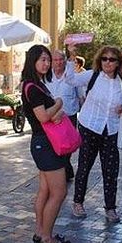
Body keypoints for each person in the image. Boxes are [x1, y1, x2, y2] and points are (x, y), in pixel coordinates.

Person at [65, 45, 122, 223]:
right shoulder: (92, 75)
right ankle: (78, 202)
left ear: (118, 62)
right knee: (84, 166)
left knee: (110, 170)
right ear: (99, 60)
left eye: (112, 59)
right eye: (104, 59)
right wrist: (71, 57)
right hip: (90, 126)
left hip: (110, 129)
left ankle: (110, 208)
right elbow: (71, 80)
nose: (107, 63)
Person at [20, 44, 70, 243]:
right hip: (46, 144)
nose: (46, 63)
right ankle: (47, 238)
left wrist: (54, 112)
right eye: (42, 59)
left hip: (43, 142)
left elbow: (46, 116)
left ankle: (41, 231)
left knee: (45, 190)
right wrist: (58, 103)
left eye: (48, 59)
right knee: (59, 193)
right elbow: (43, 117)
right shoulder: (32, 87)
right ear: (32, 61)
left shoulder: (36, 84)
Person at [45, 50, 81, 182]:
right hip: (52, 118)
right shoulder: (46, 77)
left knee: (67, 147)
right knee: (53, 146)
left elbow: (80, 96)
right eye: (55, 60)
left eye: (61, 59)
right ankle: (64, 170)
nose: (58, 62)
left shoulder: (72, 76)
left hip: (69, 117)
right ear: (51, 62)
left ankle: (64, 169)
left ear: (65, 61)